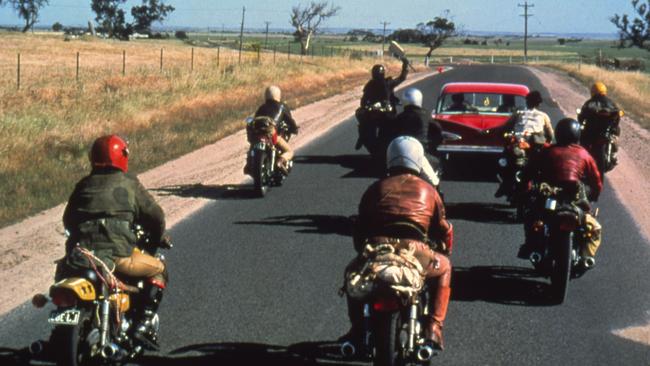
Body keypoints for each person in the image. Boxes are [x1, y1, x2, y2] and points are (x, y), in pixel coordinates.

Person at [343, 136, 453, 350]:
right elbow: (442, 227)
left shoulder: (375, 188)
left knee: (351, 273)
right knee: (445, 267)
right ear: (418, 159)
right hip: (416, 252)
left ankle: (357, 330)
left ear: (390, 158)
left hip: (378, 248)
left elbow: (360, 225)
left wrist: (362, 251)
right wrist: (445, 247)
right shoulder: (428, 190)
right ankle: (434, 326)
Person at [61, 135, 171, 349]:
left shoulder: (83, 184)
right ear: (122, 156)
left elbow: (68, 219)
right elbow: (155, 216)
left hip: (81, 256)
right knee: (159, 268)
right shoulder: (128, 183)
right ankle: (144, 322)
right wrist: (157, 238)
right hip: (117, 255)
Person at [520, 118, 603, 268]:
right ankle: (587, 257)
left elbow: (529, 171)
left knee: (532, 216)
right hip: (574, 199)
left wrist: (526, 186)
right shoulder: (585, 154)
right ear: (577, 135)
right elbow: (596, 180)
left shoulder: (547, 151)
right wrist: (595, 194)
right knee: (593, 226)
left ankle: (531, 245)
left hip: (551, 195)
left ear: (558, 133)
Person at [494, 91, 554, 198]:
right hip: (535, 147)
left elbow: (505, 127)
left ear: (527, 102)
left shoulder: (519, 113)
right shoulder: (544, 116)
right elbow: (550, 134)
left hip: (519, 143)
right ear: (539, 104)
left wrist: (499, 134)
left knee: (505, 160)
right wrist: (548, 143)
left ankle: (505, 184)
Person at [381, 88, 443, 186]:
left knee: (384, 179)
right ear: (419, 100)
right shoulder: (426, 116)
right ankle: (438, 198)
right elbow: (438, 131)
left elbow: (387, 135)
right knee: (435, 181)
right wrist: (434, 144)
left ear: (405, 101)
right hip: (421, 155)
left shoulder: (399, 117)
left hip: (398, 154)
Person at [356, 59, 409, 155]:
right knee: (361, 115)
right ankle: (363, 136)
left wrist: (364, 106)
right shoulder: (381, 83)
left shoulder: (376, 84)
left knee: (397, 125)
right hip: (380, 111)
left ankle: (363, 136)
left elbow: (364, 99)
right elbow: (402, 77)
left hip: (381, 111)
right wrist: (405, 66)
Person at [245, 85, 297, 175]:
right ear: (278, 95)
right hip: (271, 133)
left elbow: (255, 118)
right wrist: (294, 129)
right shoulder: (282, 106)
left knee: (253, 145)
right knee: (289, 151)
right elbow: (290, 121)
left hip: (257, 133)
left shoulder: (261, 107)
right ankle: (280, 161)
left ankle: (249, 163)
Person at [578, 81, 621, 174]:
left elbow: (581, 117)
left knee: (581, 140)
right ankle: (613, 155)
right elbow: (618, 114)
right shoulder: (611, 102)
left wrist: (581, 121)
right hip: (606, 132)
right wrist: (614, 126)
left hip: (591, 132)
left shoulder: (589, 103)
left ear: (593, 91)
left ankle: (582, 159)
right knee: (617, 132)